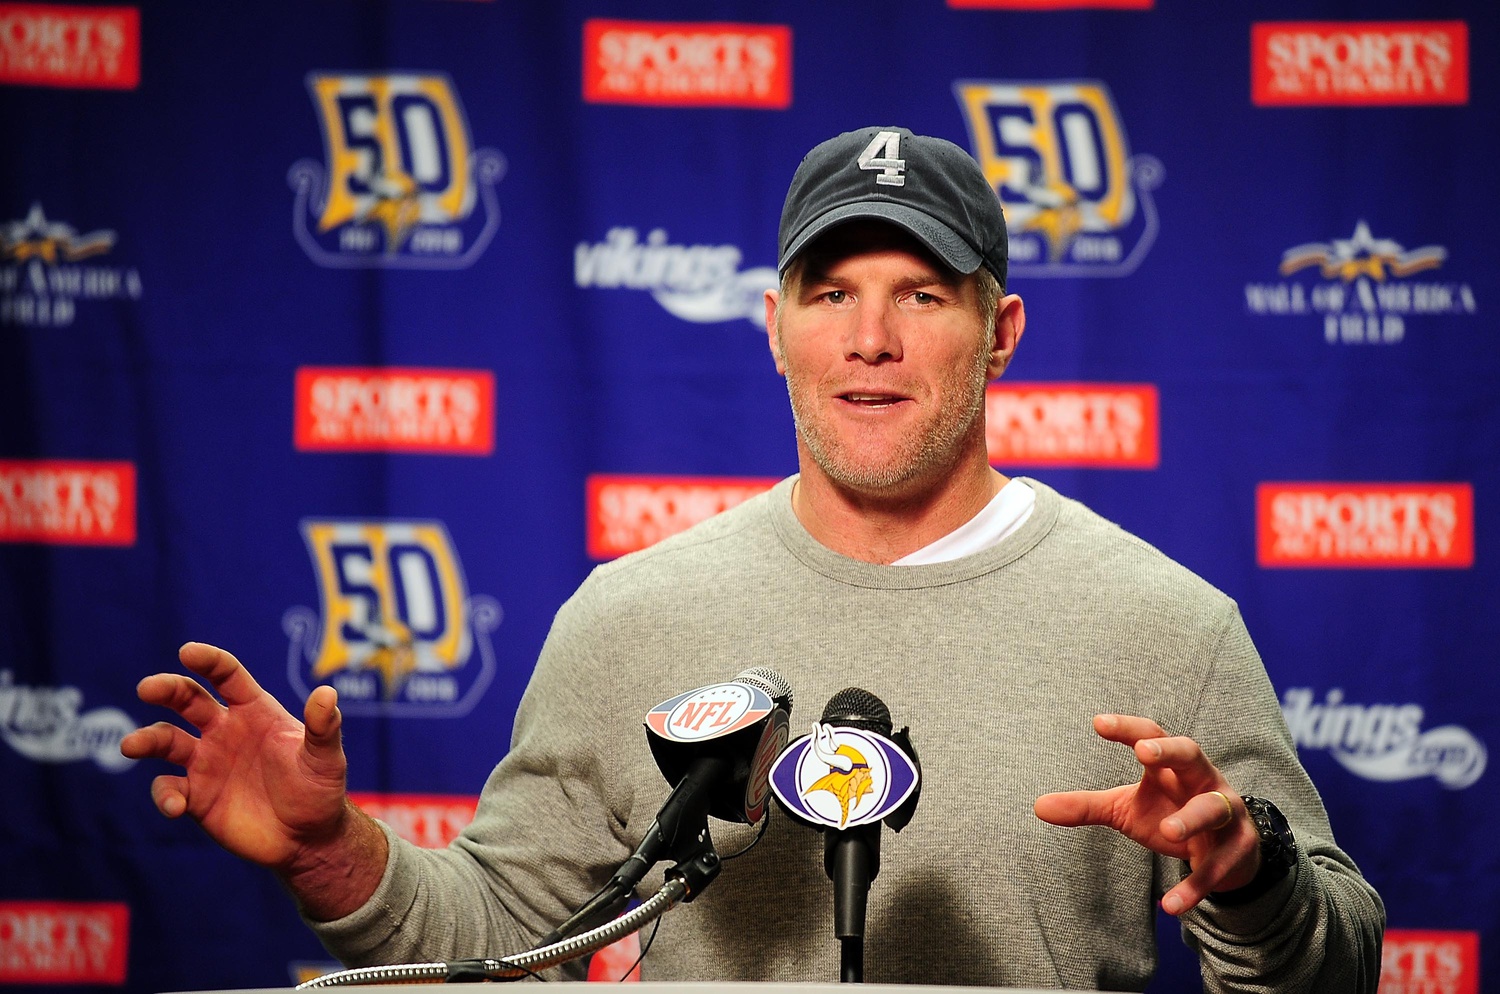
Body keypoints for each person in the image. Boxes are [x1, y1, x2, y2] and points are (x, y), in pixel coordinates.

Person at [123, 126, 1384, 991]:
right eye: (831, 292)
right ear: (773, 326)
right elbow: (506, 937)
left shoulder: (1170, 624)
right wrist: (328, 848)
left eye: (923, 294)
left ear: (999, 332)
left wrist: (1254, 876)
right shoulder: (632, 613)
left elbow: (1340, 961)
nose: (871, 339)